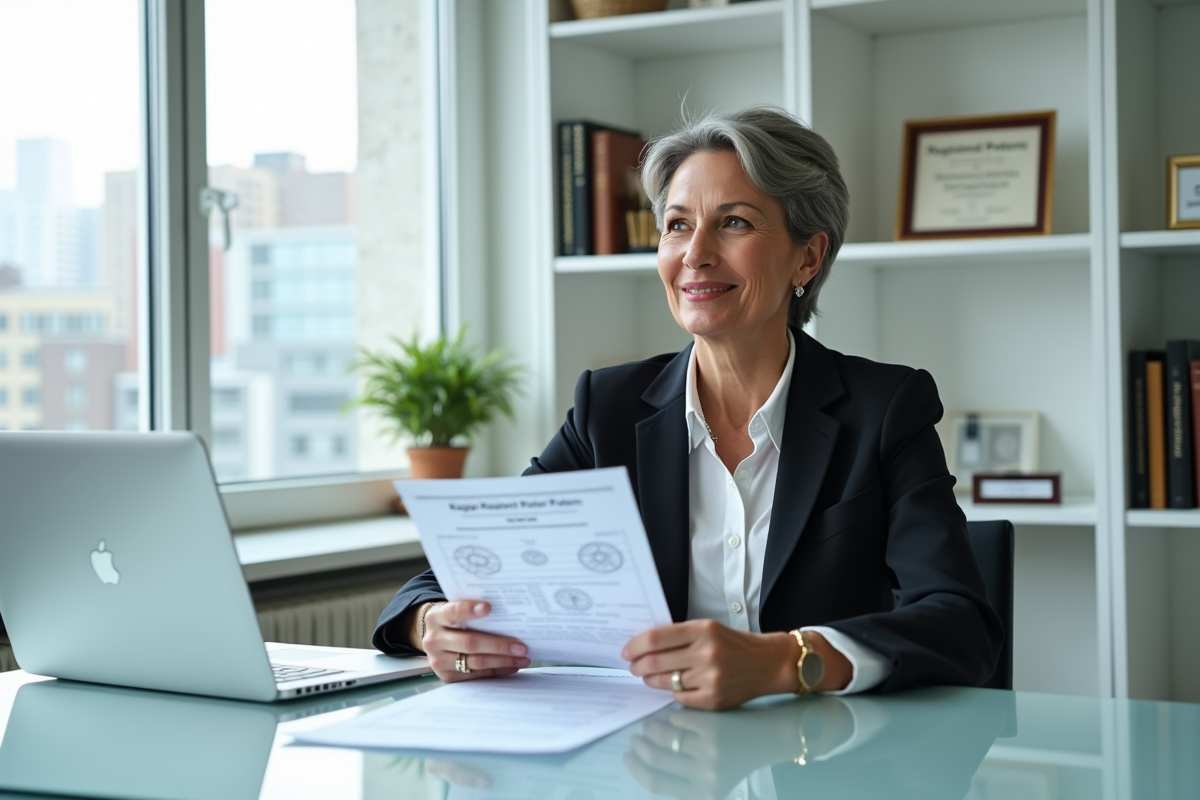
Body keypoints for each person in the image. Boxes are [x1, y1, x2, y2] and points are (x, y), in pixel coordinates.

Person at [373, 107, 1003, 710]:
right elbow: (449, 579)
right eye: (676, 224)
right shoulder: (609, 409)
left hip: (828, 758)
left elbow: (961, 624)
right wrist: (432, 625)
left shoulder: (886, 409)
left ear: (807, 257)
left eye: (734, 223)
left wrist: (786, 661)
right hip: (651, 757)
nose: (695, 253)